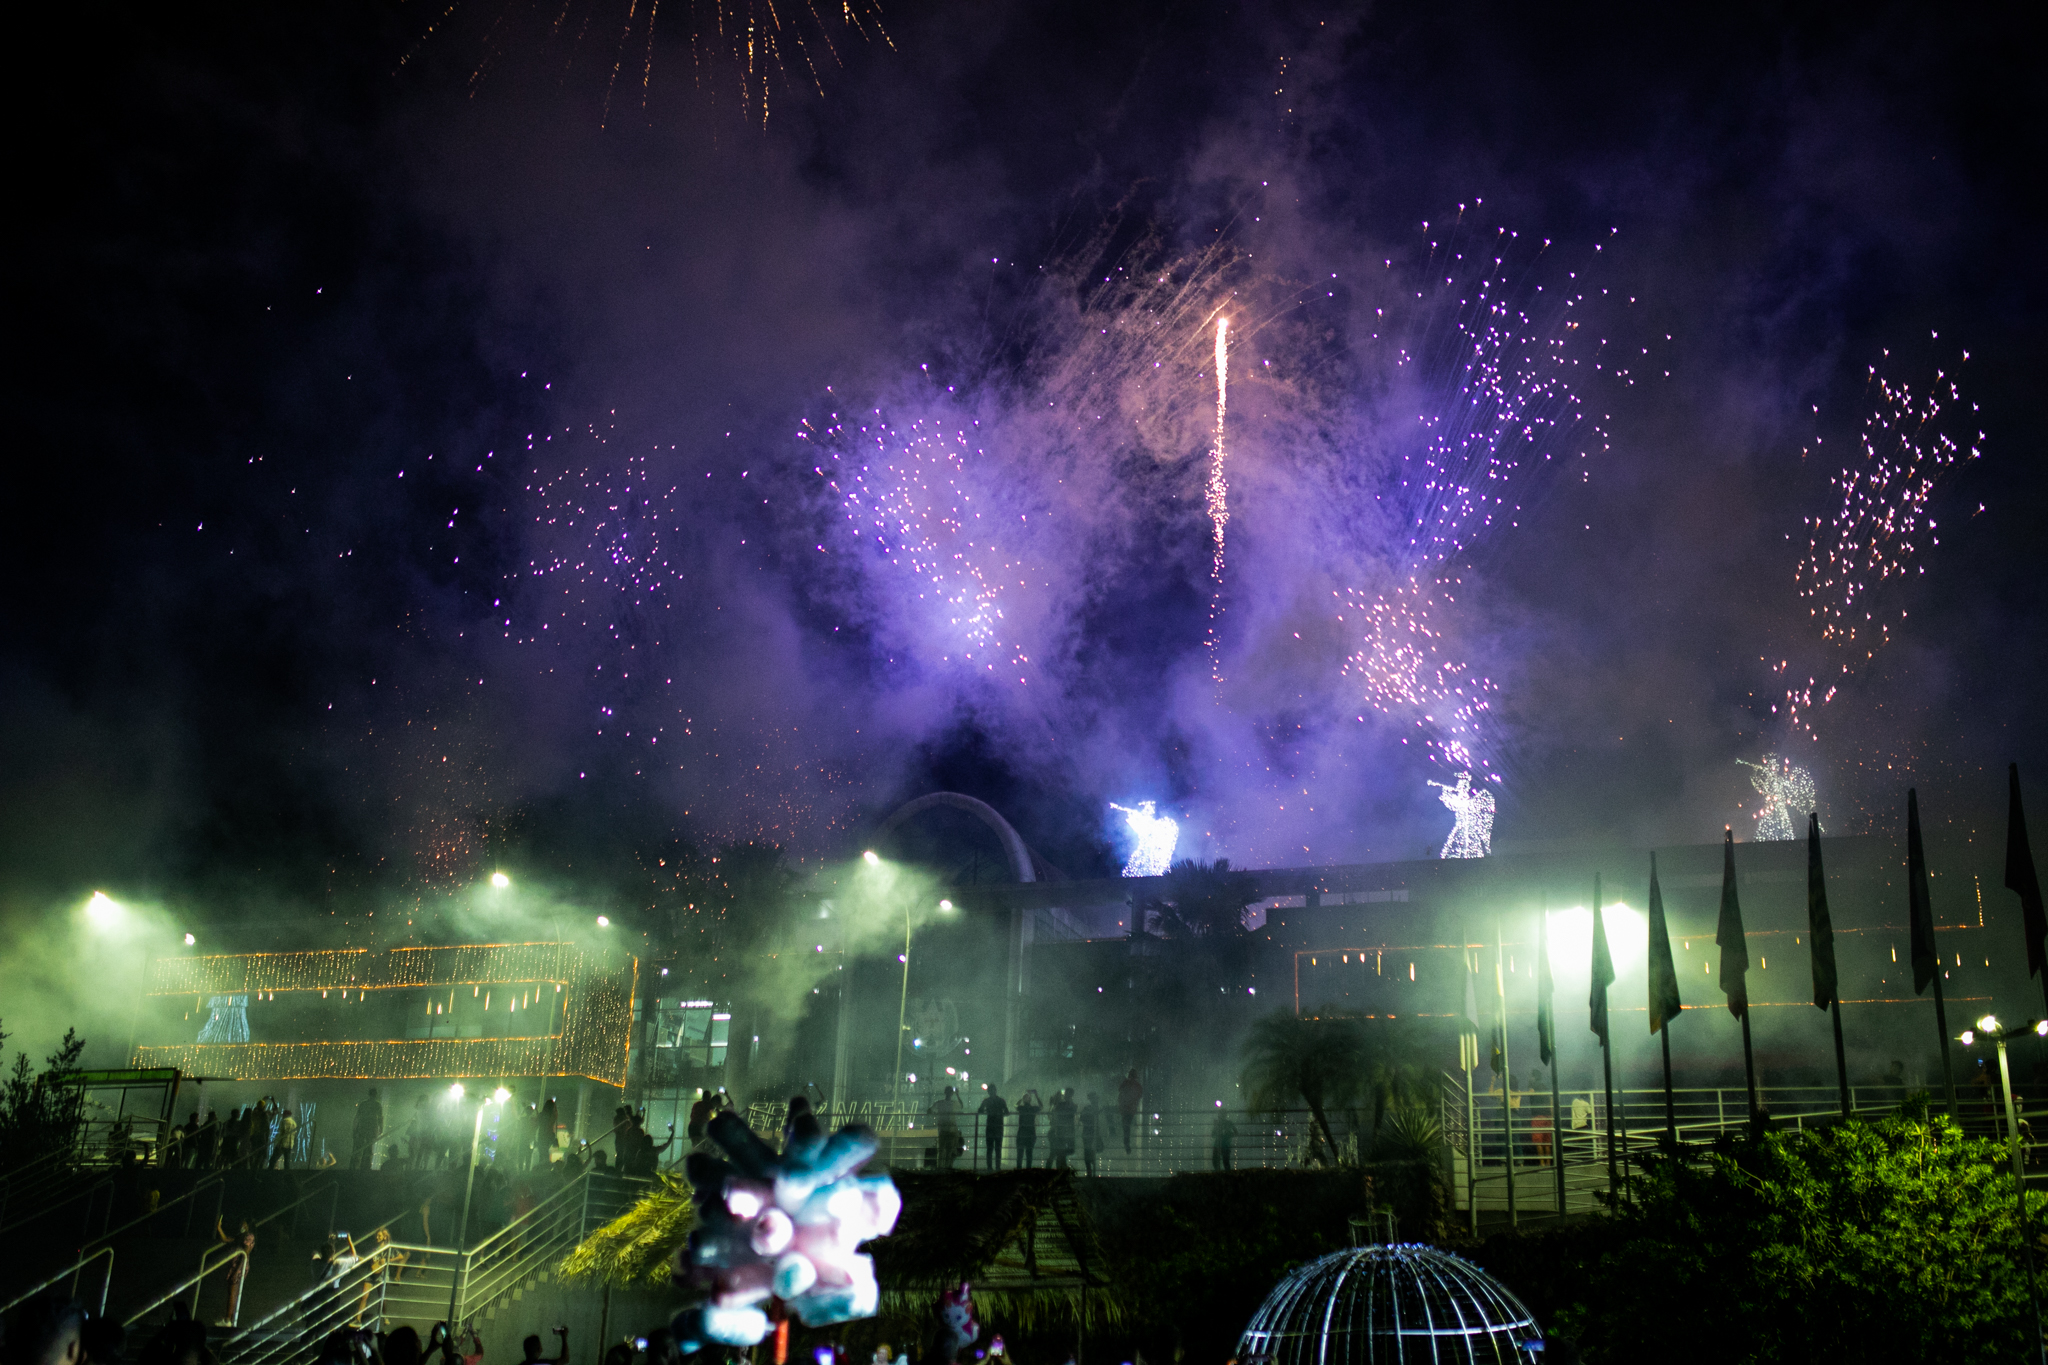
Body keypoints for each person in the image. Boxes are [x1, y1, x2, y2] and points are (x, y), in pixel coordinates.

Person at [213, 1217, 255, 1325]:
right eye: (241, 1225)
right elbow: (225, 1239)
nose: (242, 1227)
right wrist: (219, 1228)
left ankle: (228, 1320)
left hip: (239, 1267)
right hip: (234, 1267)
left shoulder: (248, 1237)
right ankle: (229, 1319)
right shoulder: (240, 1237)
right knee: (232, 1293)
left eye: (245, 1225)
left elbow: (244, 1254)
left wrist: (236, 1271)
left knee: (233, 1293)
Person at [929, 1086, 964, 1171]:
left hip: (942, 1130)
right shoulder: (953, 1103)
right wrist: (958, 1095)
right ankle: (947, 1168)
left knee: (941, 1150)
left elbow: (930, 1110)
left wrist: (934, 1115)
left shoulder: (939, 1103)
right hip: (951, 1130)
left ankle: (940, 1167)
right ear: (952, 1093)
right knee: (949, 1151)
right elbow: (961, 1106)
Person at [975, 1087, 1009, 1170]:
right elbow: (1007, 1112)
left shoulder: (986, 1101)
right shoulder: (1001, 1101)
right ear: (995, 1091)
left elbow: (980, 1111)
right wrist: (999, 1114)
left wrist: (989, 1112)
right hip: (999, 1127)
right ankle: (998, 1167)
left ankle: (989, 1167)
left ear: (988, 1092)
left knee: (989, 1149)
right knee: (998, 1149)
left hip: (990, 1127)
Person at [352, 1090, 383, 1170]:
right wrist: (381, 1128)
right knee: (369, 1148)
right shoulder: (377, 1105)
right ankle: (366, 1167)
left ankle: (356, 1167)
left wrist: (354, 1129)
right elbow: (380, 1118)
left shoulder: (363, 1104)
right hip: (371, 1129)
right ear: (375, 1095)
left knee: (359, 1148)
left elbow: (357, 1117)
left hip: (362, 1128)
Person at [1116, 1069, 1143, 1156]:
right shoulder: (1137, 1085)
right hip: (1131, 1109)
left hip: (1124, 1109)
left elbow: (1120, 1092)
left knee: (1126, 1126)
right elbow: (1139, 1096)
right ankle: (1127, 1143)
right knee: (1127, 1126)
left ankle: (1126, 1143)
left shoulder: (1125, 1083)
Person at [1048, 1090, 1076, 1171]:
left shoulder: (1059, 1106)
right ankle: (1059, 1169)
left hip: (1060, 1132)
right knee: (1056, 1153)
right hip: (1058, 1132)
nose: (1063, 1097)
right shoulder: (1059, 1106)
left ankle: (1059, 1169)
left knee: (1057, 1153)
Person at [1013, 1090, 1042, 1169]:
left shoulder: (1021, 1108)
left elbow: (1015, 1105)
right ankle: (1028, 1171)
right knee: (1029, 1154)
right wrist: (1036, 1095)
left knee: (1020, 1154)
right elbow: (1041, 1106)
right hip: (1030, 1133)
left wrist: (1021, 1098)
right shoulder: (1033, 1109)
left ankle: (1019, 1170)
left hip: (1022, 1133)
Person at [1079, 1093, 1102, 1177]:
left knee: (1089, 1151)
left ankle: (1090, 1170)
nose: (1096, 1101)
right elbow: (1082, 1119)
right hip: (1089, 1133)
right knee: (1089, 1151)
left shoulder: (1091, 1108)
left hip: (1089, 1133)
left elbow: (1081, 1119)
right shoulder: (1090, 1109)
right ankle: (1090, 1169)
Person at [1210, 1106, 1236, 1171]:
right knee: (1224, 1162)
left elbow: (1212, 1135)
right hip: (1223, 1145)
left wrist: (1227, 1134)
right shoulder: (1227, 1123)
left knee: (1220, 1161)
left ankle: (1219, 1174)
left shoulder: (1227, 1123)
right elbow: (1213, 1134)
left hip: (1222, 1145)